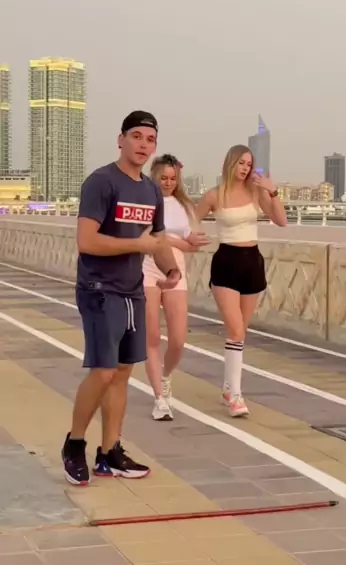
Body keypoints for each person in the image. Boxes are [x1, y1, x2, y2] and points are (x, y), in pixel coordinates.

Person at [61, 111, 181, 486]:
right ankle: (74, 444)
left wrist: (171, 270)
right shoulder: (101, 182)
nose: (143, 144)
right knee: (104, 370)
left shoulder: (150, 191)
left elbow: (155, 240)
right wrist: (137, 246)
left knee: (123, 372)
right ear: (121, 139)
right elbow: (86, 241)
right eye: (137, 136)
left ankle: (109, 453)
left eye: (150, 139)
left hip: (133, 291)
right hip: (99, 289)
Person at [195, 144, 287, 417]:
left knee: (240, 333)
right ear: (230, 163)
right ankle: (235, 395)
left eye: (249, 164)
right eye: (241, 163)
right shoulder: (214, 195)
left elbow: (281, 220)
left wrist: (272, 190)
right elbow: (190, 220)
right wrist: (189, 240)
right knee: (236, 331)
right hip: (226, 263)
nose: (245, 168)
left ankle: (228, 388)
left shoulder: (256, 192)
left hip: (252, 263)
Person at [143, 153, 210, 420]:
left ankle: (166, 376)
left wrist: (171, 240)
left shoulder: (184, 206)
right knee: (151, 337)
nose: (168, 182)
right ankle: (159, 398)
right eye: (164, 178)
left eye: (173, 178)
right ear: (154, 177)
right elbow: (146, 237)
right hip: (147, 269)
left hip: (176, 270)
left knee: (178, 340)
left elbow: (192, 245)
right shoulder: (146, 201)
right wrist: (175, 240)